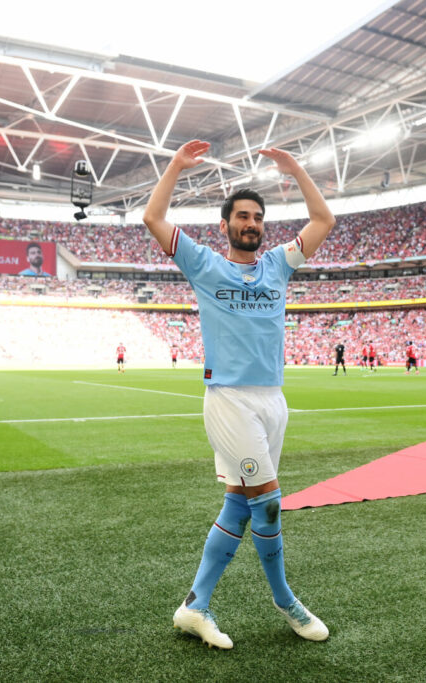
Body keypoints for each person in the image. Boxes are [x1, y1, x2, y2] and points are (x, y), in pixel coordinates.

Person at [143, 139, 334, 649]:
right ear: (225, 224)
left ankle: (194, 607)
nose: (251, 223)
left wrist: (295, 170)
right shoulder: (204, 264)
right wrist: (176, 166)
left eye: (258, 217)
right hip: (229, 399)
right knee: (268, 504)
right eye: (243, 216)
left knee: (239, 505)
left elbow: (323, 220)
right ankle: (286, 601)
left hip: (273, 400)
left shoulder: (278, 264)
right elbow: (153, 218)